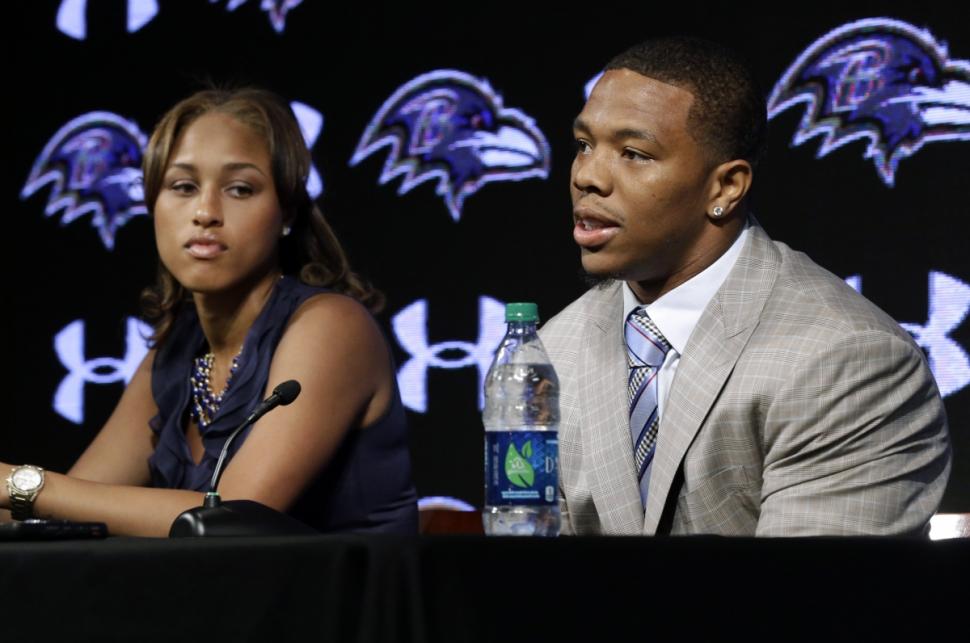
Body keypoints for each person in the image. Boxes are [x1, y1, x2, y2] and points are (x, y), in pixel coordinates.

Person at [539, 36, 951, 536]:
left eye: (633, 153)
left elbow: (820, 601)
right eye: (584, 145)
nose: (588, 176)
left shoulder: (848, 362)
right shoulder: (550, 354)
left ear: (726, 187)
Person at [2, 88, 418, 536]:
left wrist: (19, 483)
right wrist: (18, 494)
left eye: (240, 189)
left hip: (340, 604)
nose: (205, 212)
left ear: (286, 214)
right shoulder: (178, 352)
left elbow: (232, 521)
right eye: (183, 187)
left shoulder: (332, 328)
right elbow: (66, 511)